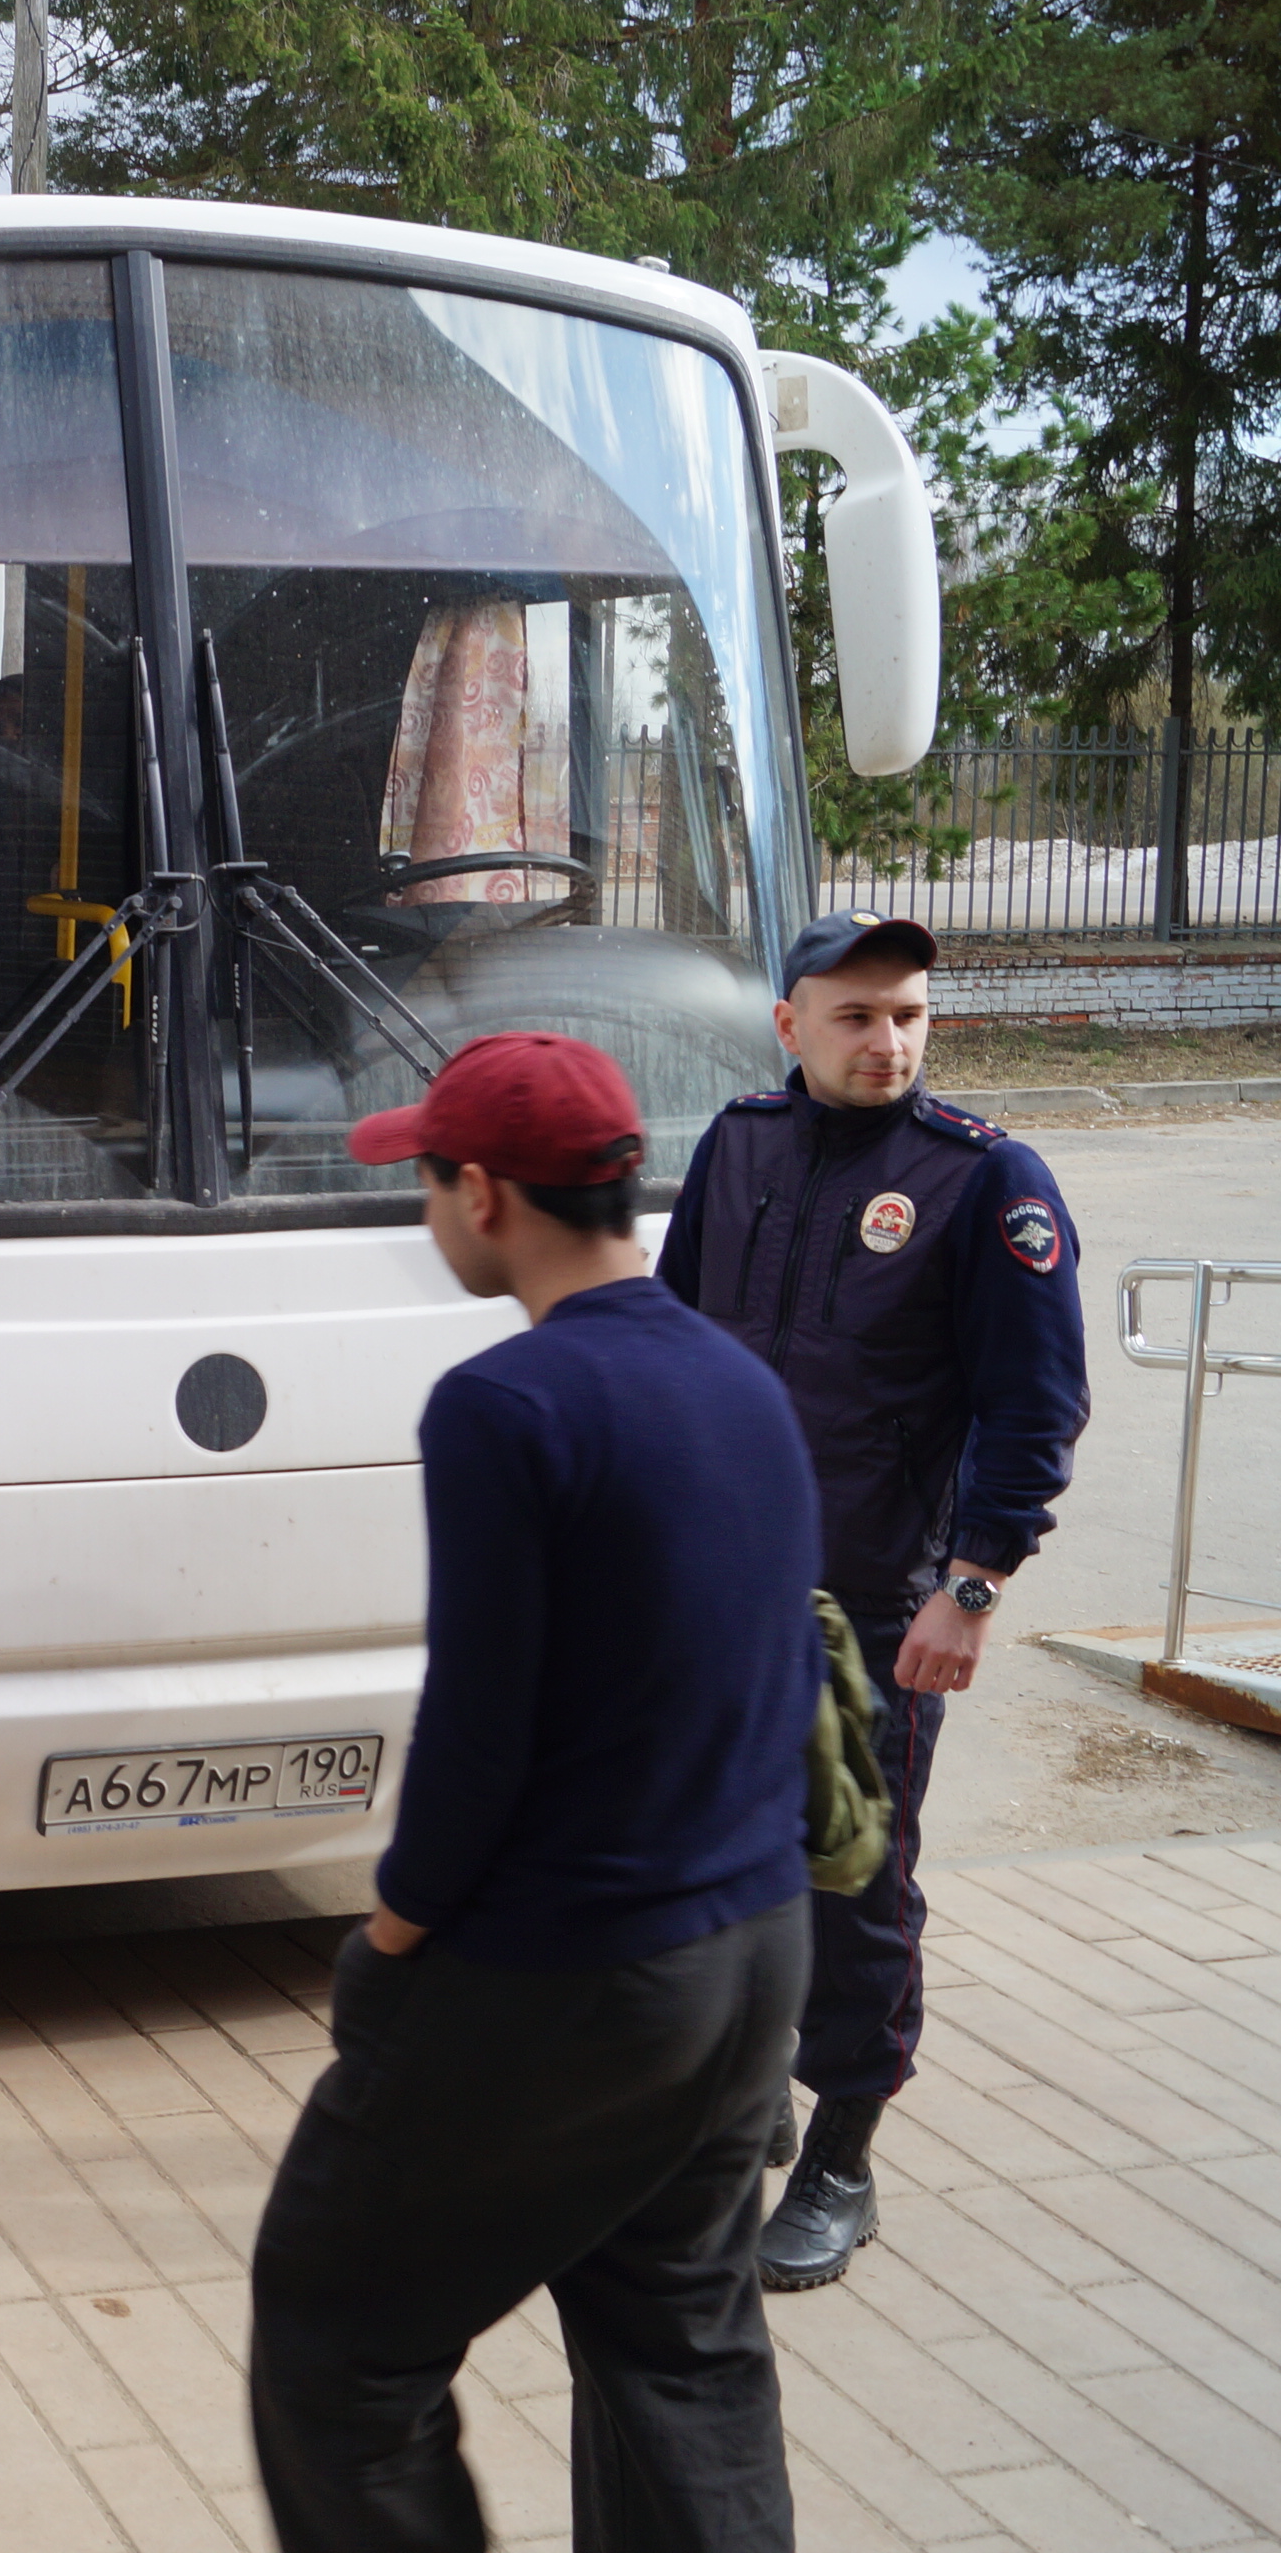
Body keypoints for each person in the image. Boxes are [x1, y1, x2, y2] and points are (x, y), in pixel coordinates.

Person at [249, 1031, 818, 2553]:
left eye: (425, 1181)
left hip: (576, 1974)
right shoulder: (739, 1380)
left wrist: (393, 1932)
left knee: (337, 2348)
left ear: (485, 1193)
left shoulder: (504, 1406)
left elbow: (481, 1731)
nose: (421, 1211)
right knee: (677, 2345)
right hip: (754, 1953)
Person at [659, 910, 1089, 2290]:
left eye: (907, 1014)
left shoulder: (984, 1183)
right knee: (723, 1851)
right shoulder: (740, 1147)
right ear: (790, 1025)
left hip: (879, 1604)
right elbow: (672, 1342)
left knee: (854, 1874)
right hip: (729, 1582)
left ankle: (844, 2156)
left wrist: (973, 1585)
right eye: (855, 1015)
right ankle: (748, 2089)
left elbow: (1036, 1409)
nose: (886, 1040)